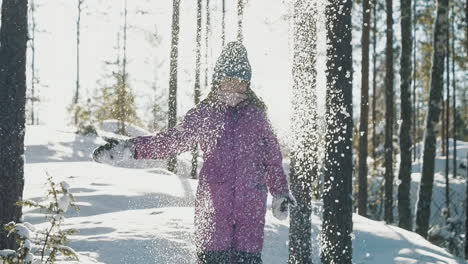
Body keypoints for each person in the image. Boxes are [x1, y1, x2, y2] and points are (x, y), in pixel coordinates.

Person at [92, 41, 296, 264]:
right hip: (214, 210)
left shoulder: (257, 117)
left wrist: (280, 192)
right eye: (228, 81)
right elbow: (172, 141)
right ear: (218, 81)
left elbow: (273, 161)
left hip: (250, 213)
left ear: (248, 84)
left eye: (239, 82)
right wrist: (132, 148)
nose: (233, 88)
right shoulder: (206, 114)